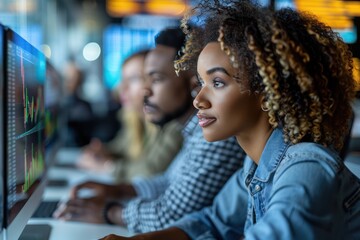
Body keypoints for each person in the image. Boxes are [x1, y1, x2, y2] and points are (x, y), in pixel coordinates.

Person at [99, 1, 360, 239]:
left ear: (267, 91)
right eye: (201, 83)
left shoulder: (306, 169)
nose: (198, 99)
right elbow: (211, 222)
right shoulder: (254, 165)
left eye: (217, 82)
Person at [54, 27, 246, 233]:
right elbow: (168, 182)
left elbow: (170, 214)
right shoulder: (194, 132)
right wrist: (118, 190)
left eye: (156, 79)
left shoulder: (217, 136)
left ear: (191, 84)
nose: (144, 91)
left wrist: (109, 212)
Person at [76, 50, 183, 183]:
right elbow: (121, 148)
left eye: (133, 79)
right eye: (122, 80)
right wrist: (100, 151)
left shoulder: (171, 122)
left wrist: (108, 167)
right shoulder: (134, 118)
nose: (122, 88)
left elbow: (152, 170)